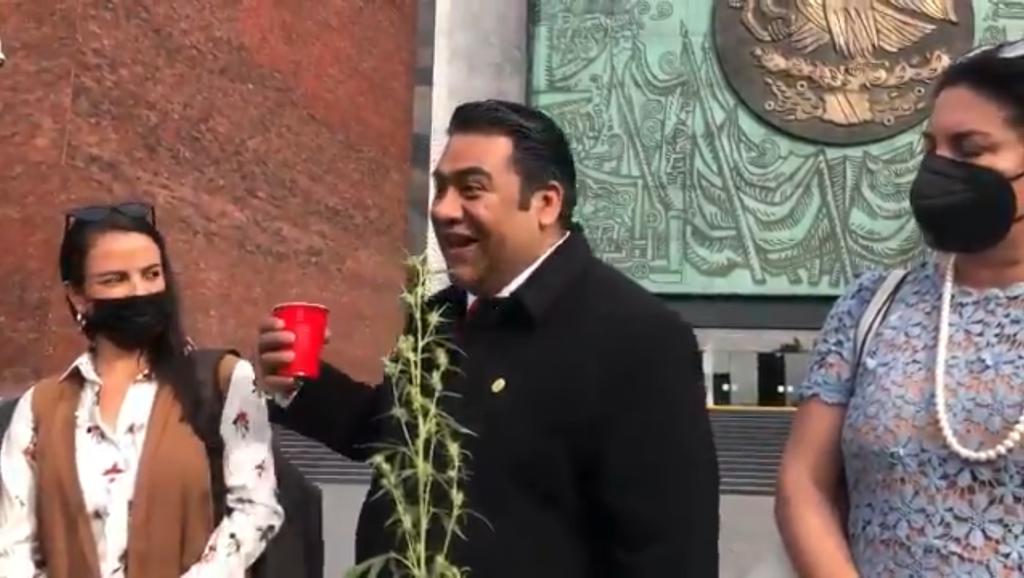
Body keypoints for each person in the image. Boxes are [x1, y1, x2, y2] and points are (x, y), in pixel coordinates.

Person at [257, 100, 719, 577]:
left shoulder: (639, 339)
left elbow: (671, 559)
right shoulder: (439, 315)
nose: (443, 209)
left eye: (471, 189)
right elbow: (397, 435)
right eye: (440, 188)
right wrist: (299, 382)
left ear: (545, 203)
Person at [776, 41, 1024, 577]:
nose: (939, 168)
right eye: (931, 148)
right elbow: (804, 483)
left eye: (970, 149)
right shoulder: (873, 305)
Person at [0, 202, 283, 578]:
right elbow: (12, 545)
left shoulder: (224, 381)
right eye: (115, 279)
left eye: (151, 274)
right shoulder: (40, 408)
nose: (140, 291)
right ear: (78, 296)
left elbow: (256, 510)